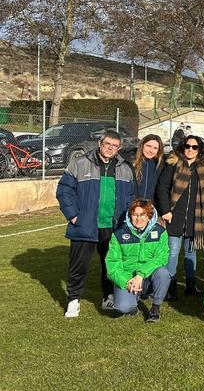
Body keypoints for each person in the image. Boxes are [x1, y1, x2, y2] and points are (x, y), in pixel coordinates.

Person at [59, 129, 135, 317]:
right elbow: (64, 190)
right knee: (78, 266)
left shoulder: (125, 168)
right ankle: (73, 300)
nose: (110, 148)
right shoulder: (80, 163)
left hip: (113, 227)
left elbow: (130, 197)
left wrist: (126, 221)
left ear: (119, 149)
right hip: (85, 225)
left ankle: (108, 297)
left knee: (111, 265)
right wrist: (73, 215)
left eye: (115, 146)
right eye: (107, 144)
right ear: (100, 144)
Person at [156, 135, 204, 299]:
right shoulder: (173, 164)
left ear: (199, 150)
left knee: (190, 253)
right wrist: (165, 210)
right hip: (174, 216)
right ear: (183, 147)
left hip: (195, 218)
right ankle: (170, 286)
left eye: (194, 147)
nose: (190, 149)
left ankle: (190, 285)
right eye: (188, 146)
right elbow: (162, 187)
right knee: (173, 252)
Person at [105, 199, 170, 323]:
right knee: (123, 307)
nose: (139, 218)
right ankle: (133, 306)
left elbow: (161, 258)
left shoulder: (160, 232)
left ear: (149, 216)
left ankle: (155, 308)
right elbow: (112, 264)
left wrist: (140, 275)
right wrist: (126, 282)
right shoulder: (118, 235)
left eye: (143, 215)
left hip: (148, 277)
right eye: (135, 214)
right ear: (130, 216)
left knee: (163, 273)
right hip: (128, 278)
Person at [131, 134, 164, 201]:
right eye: (148, 146)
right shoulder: (131, 161)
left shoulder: (159, 165)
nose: (151, 150)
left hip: (149, 205)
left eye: (155, 148)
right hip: (132, 204)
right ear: (142, 145)